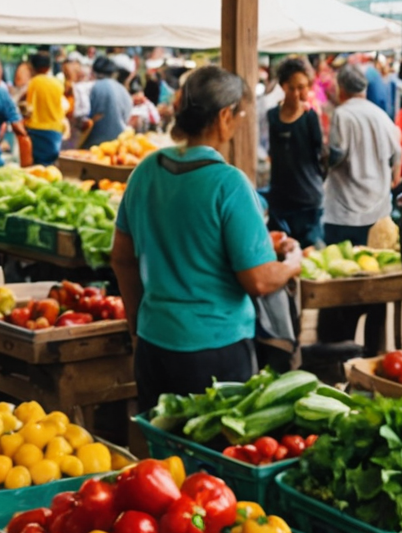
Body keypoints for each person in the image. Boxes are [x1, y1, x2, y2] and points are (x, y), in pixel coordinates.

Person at [109, 65, 304, 411]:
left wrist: (137, 326)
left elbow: (122, 257)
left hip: (155, 344)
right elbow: (258, 279)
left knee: (163, 457)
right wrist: (292, 263)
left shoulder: (144, 172)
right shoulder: (229, 184)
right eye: (241, 114)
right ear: (225, 116)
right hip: (215, 351)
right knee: (216, 459)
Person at [322, 62, 402, 241]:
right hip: (378, 209)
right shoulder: (380, 114)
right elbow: (397, 153)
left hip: (344, 212)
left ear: (340, 88)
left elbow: (337, 154)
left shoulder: (342, 114)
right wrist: (393, 179)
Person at [264, 56, 327, 248]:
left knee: (310, 253)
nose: (298, 93)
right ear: (283, 86)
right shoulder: (272, 116)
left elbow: (321, 155)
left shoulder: (310, 118)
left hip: (308, 200)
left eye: (303, 87)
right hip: (280, 200)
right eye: (292, 88)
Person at [23, 51, 69, 165]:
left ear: (32, 67)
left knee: (39, 166)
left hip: (36, 130)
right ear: (49, 66)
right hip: (55, 131)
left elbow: (28, 107)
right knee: (51, 165)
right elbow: (65, 106)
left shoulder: (33, 82)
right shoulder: (57, 83)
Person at [81, 55, 134, 150]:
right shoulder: (123, 90)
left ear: (92, 72)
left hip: (92, 146)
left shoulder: (90, 87)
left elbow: (83, 118)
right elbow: (127, 117)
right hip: (118, 146)